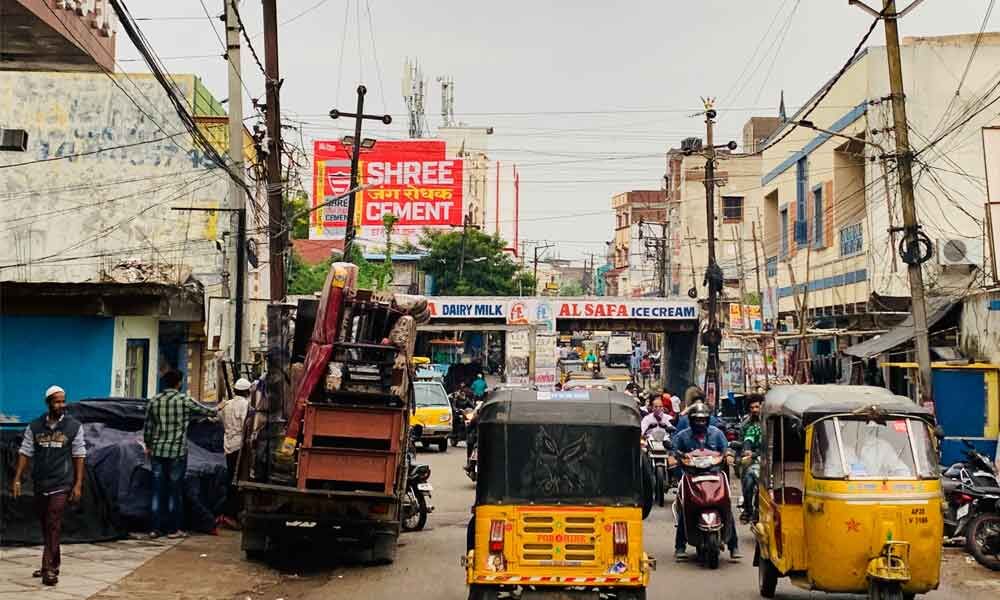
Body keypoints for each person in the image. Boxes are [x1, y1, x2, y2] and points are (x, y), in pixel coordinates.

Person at [11, 386, 85, 586]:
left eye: (63, 401)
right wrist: (17, 478)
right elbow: (25, 452)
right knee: (47, 525)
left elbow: (79, 455)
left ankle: (49, 570)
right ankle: (53, 562)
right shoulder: (34, 427)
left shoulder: (74, 426)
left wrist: (78, 484)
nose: (61, 405)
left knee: (53, 520)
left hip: (62, 482)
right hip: (40, 482)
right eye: (57, 401)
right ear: (48, 403)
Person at [143, 370, 219, 539]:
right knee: (174, 491)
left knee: (157, 490)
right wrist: (220, 407)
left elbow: (148, 427)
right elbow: (208, 412)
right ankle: (173, 530)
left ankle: (155, 529)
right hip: (177, 451)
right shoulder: (184, 400)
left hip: (157, 451)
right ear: (178, 383)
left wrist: (148, 445)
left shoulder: (154, 401)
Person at [673, 402, 740, 561]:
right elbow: (674, 449)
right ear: (691, 420)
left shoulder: (717, 434)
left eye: (703, 420)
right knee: (685, 506)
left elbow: (727, 449)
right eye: (697, 420)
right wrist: (673, 456)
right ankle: (680, 546)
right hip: (691, 476)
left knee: (726, 506)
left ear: (708, 420)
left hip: (715, 476)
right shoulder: (683, 436)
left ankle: (733, 545)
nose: (700, 423)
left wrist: (729, 455)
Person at [218, 378, 252, 529]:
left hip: (228, 446)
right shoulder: (245, 405)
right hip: (239, 446)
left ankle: (229, 514)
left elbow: (218, 419)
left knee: (231, 478)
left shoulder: (228, 405)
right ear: (247, 391)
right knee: (237, 482)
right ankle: (231, 514)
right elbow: (247, 425)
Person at [738, 395, 763, 522]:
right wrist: (746, 452)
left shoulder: (768, 422)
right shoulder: (746, 425)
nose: (754, 410)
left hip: (768, 460)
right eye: (752, 407)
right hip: (751, 460)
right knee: (747, 480)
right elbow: (745, 441)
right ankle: (748, 509)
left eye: (757, 407)